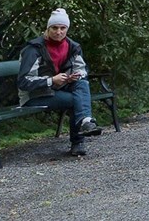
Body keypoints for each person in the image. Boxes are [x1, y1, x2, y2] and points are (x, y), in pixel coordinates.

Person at [19, 8, 101, 157]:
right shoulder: (34, 49)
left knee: (82, 83)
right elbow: (24, 82)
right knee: (75, 100)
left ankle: (86, 121)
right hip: (34, 95)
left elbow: (82, 70)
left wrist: (73, 76)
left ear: (67, 29)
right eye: (55, 28)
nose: (59, 32)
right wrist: (52, 80)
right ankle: (78, 141)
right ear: (48, 28)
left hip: (59, 88)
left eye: (62, 28)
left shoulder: (72, 46)